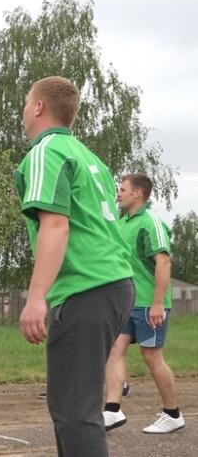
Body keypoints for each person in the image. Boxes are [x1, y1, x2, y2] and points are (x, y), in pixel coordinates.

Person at [15, 76, 134, 457]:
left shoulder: (45, 152)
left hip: (87, 287)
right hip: (114, 283)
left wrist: (36, 297)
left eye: (26, 102)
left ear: (38, 107)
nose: (23, 110)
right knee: (73, 405)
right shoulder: (87, 154)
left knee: (74, 410)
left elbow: (55, 224)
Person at [103, 174, 184, 434]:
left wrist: (158, 303)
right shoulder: (123, 221)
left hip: (149, 304)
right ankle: (112, 410)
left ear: (138, 194)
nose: (118, 193)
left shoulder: (151, 222)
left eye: (122, 189)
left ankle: (173, 414)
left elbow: (164, 263)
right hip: (127, 301)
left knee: (152, 357)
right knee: (114, 349)